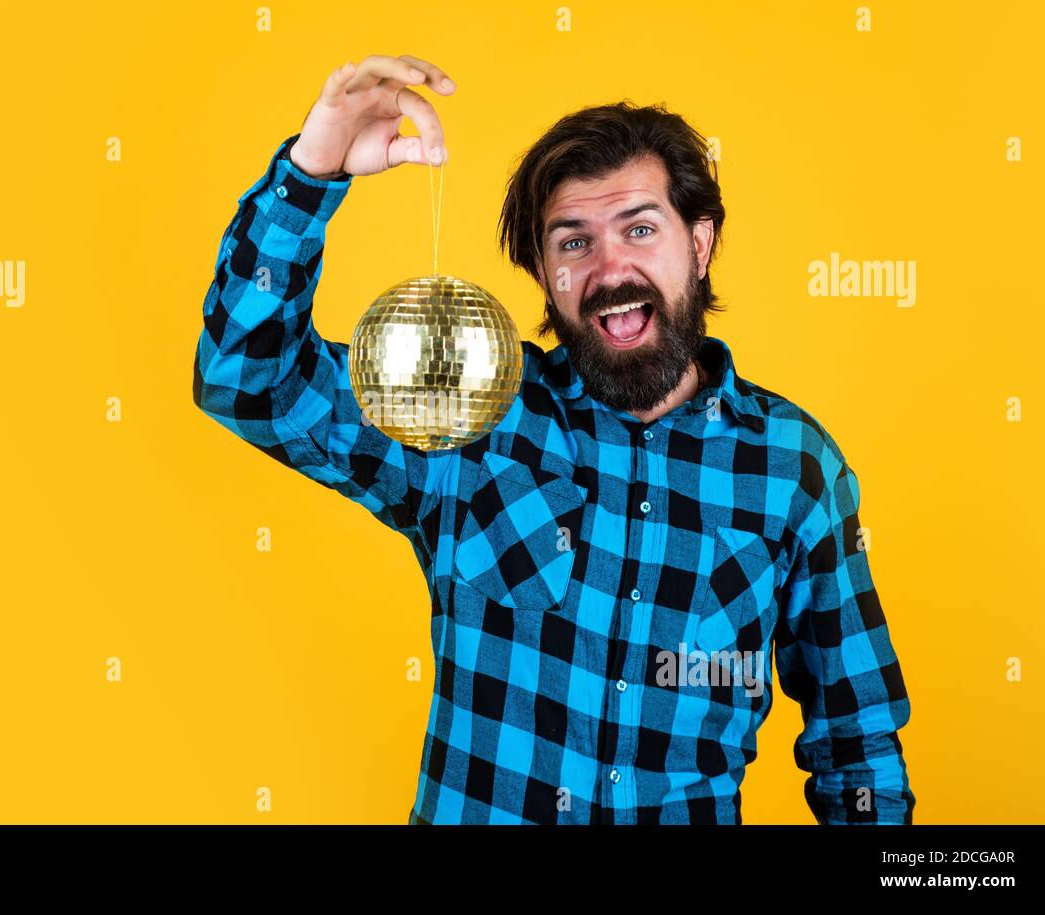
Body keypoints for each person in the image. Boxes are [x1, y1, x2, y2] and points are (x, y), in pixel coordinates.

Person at [194, 54, 916, 825]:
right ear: (543, 272)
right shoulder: (474, 414)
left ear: (699, 246)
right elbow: (248, 379)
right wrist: (312, 167)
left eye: (639, 228)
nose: (610, 268)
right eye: (573, 243)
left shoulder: (795, 470)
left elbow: (857, 742)